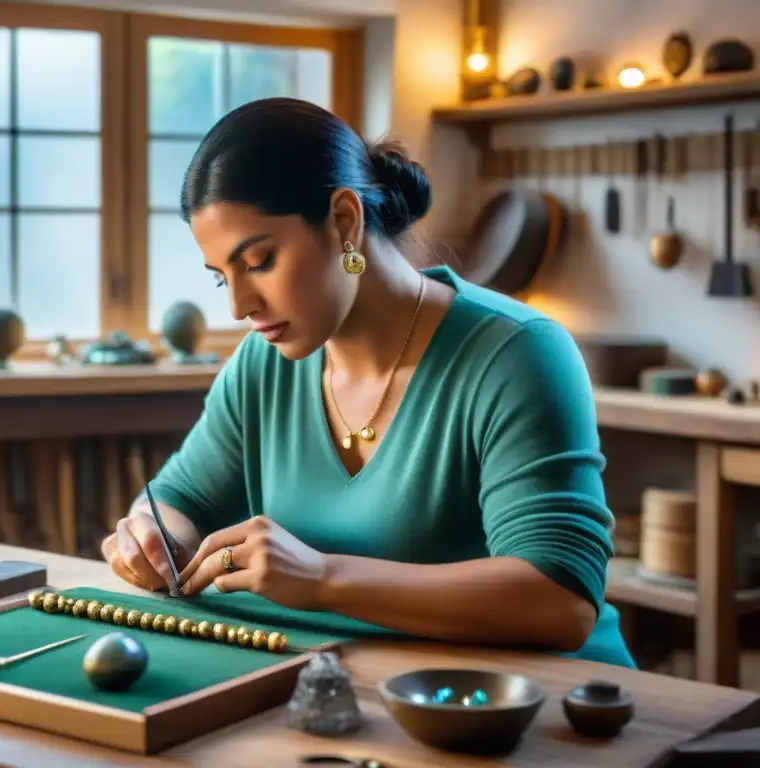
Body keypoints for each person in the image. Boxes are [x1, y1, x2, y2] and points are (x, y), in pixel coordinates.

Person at [101, 97, 633, 667]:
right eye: (220, 279)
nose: (238, 306)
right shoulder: (262, 364)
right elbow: (181, 500)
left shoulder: (517, 353)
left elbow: (561, 601)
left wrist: (325, 578)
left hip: (541, 709)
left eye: (258, 262)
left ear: (344, 222)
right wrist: (155, 539)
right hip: (358, 690)